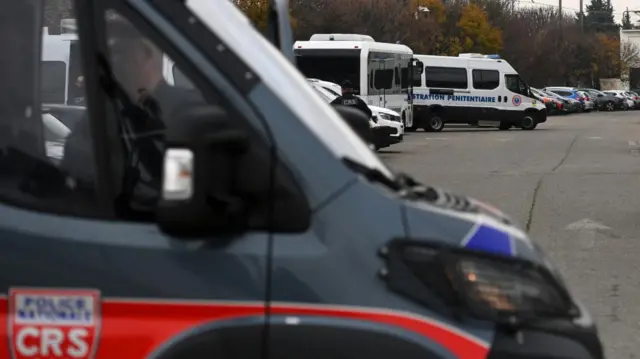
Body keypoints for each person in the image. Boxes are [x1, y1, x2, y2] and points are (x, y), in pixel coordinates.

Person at [60, 15, 204, 215]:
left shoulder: (185, 111)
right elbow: (75, 167)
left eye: (116, 53)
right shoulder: (105, 113)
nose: (107, 65)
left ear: (146, 54)